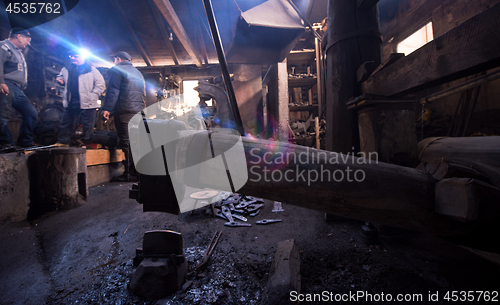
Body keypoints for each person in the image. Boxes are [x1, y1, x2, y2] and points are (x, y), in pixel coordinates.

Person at [101, 51, 145, 181]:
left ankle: (129, 174)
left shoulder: (117, 70)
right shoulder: (138, 73)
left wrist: (107, 109)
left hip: (125, 111)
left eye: (114, 59)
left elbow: (113, 91)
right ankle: (138, 173)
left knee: (126, 142)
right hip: (137, 111)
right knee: (136, 143)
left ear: (118, 59)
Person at [55, 49, 105, 146]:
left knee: (88, 125)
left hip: (88, 102)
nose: (73, 58)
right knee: (66, 123)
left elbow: (101, 85)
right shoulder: (67, 68)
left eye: (75, 56)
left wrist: (93, 96)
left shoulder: (92, 70)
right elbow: (60, 76)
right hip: (71, 100)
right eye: (71, 56)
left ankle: (85, 143)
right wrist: (59, 79)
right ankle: (62, 142)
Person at [0, 28, 38, 151]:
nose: (28, 43)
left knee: (31, 113)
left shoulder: (18, 52)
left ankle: (25, 141)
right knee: (3, 114)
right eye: (27, 40)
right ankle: (5, 142)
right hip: (7, 84)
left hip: (17, 88)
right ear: (19, 37)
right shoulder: (4, 46)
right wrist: (1, 82)